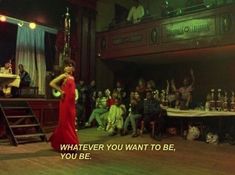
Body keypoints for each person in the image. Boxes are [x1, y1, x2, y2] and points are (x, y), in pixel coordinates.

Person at [49, 59, 79, 152]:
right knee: (65, 123)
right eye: (66, 66)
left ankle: (61, 143)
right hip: (65, 103)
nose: (68, 67)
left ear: (73, 68)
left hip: (71, 104)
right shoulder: (64, 76)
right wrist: (61, 91)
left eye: (70, 66)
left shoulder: (72, 77)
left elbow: (73, 91)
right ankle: (70, 145)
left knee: (70, 123)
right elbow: (52, 83)